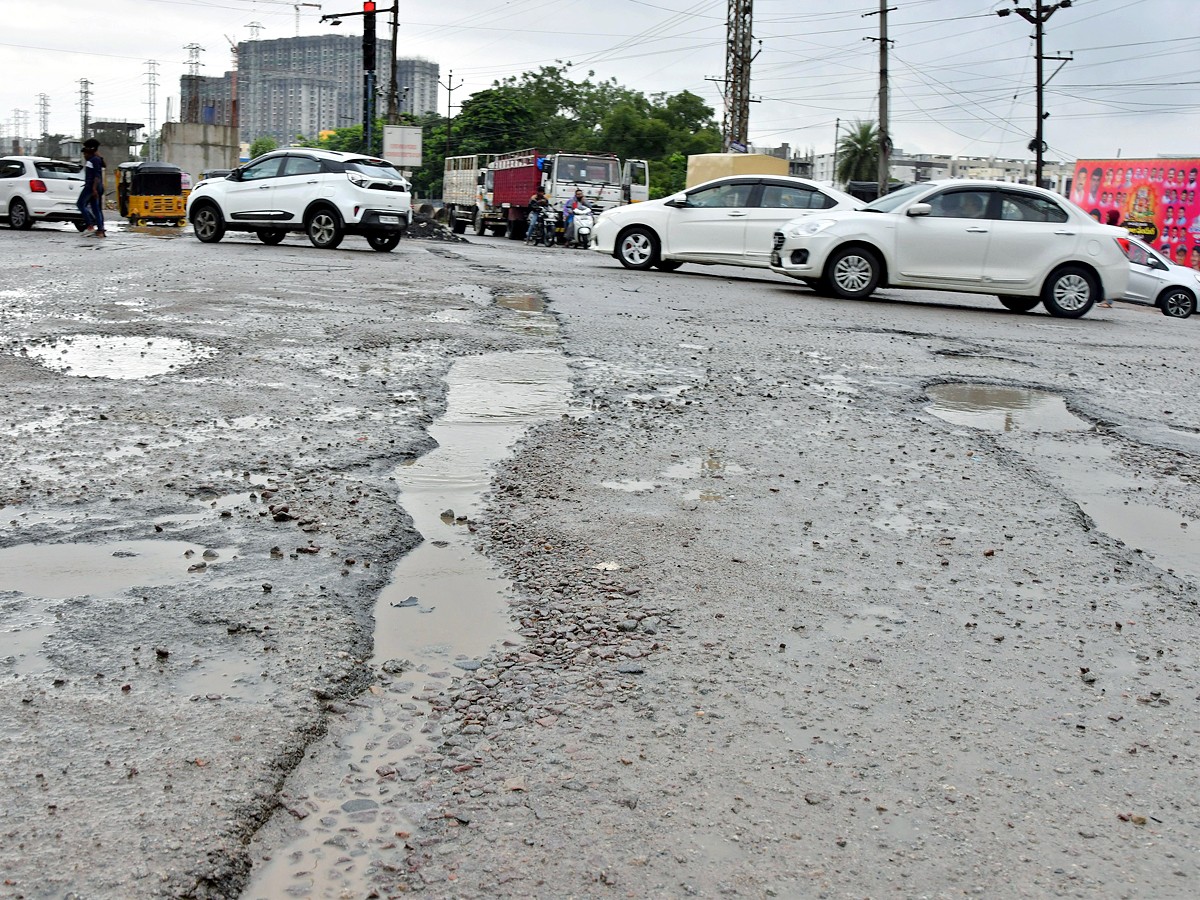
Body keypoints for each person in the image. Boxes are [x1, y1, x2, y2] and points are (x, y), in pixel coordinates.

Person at [79, 138, 106, 238]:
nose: (84, 155)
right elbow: (103, 165)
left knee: (80, 204)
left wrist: (94, 189)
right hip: (94, 186)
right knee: (95, 208)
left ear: (90, 151)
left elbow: (97, 176)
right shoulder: (95, 159)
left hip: (91, 186)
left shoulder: (93, 160)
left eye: (85, 152)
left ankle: (90, 225)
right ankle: (100, 230)